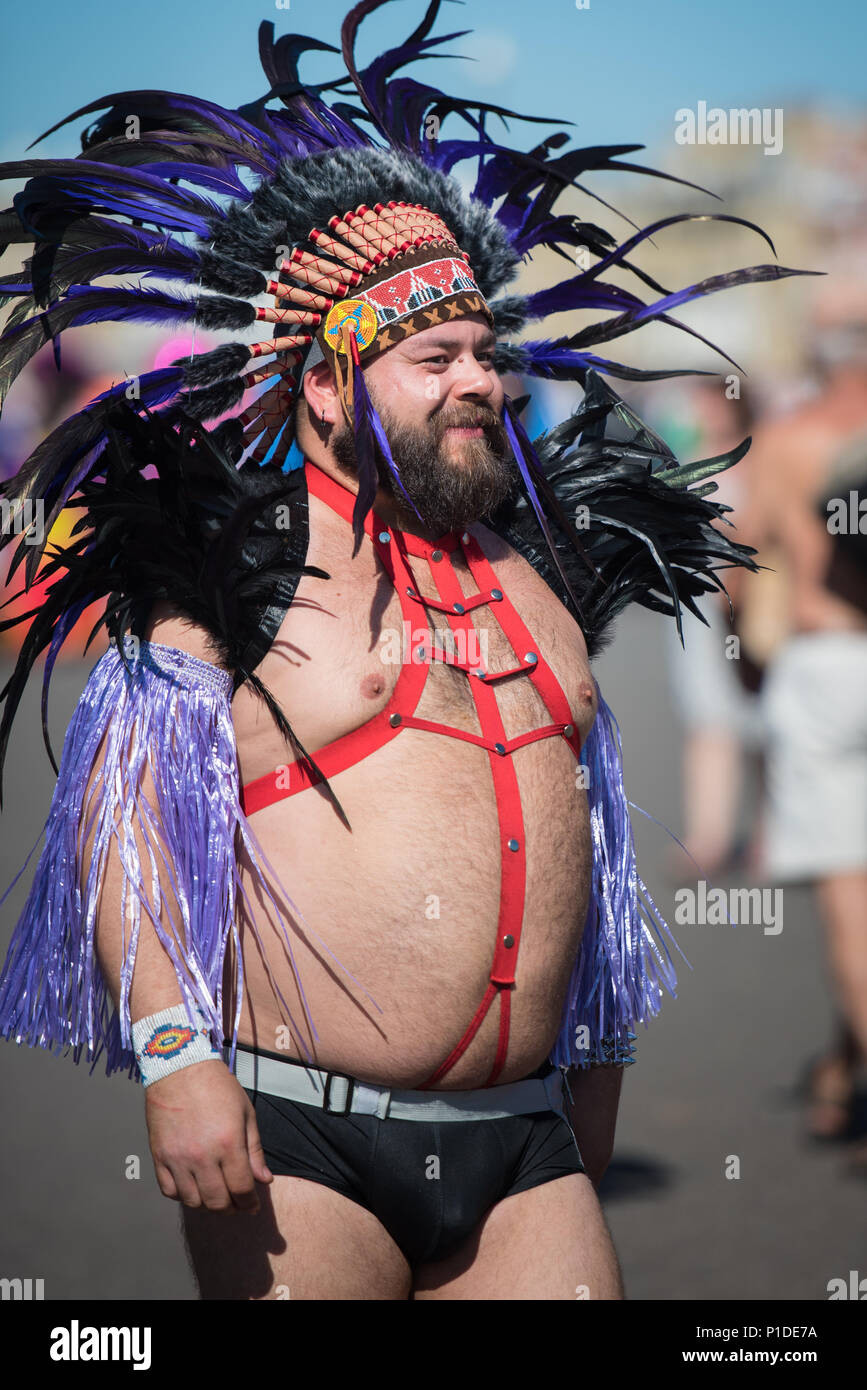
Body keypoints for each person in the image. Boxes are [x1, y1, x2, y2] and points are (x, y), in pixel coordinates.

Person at [0, 1, 804, 1298]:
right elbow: (125, 822)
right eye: (433, 355)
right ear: (323, 381)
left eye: (486, 350)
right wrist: (175, 1060)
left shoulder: (538, 572)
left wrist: (596, 1058)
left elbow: (580, 842)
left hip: (524, 1136)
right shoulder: (223, 563)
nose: (479, 379)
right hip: (300, 1136)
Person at [746, 273, 867, 1169]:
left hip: (826, 665)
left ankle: (844, 1070)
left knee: (849, 903)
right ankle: (838, 1064)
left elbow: (740, 560)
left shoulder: (788, 440)